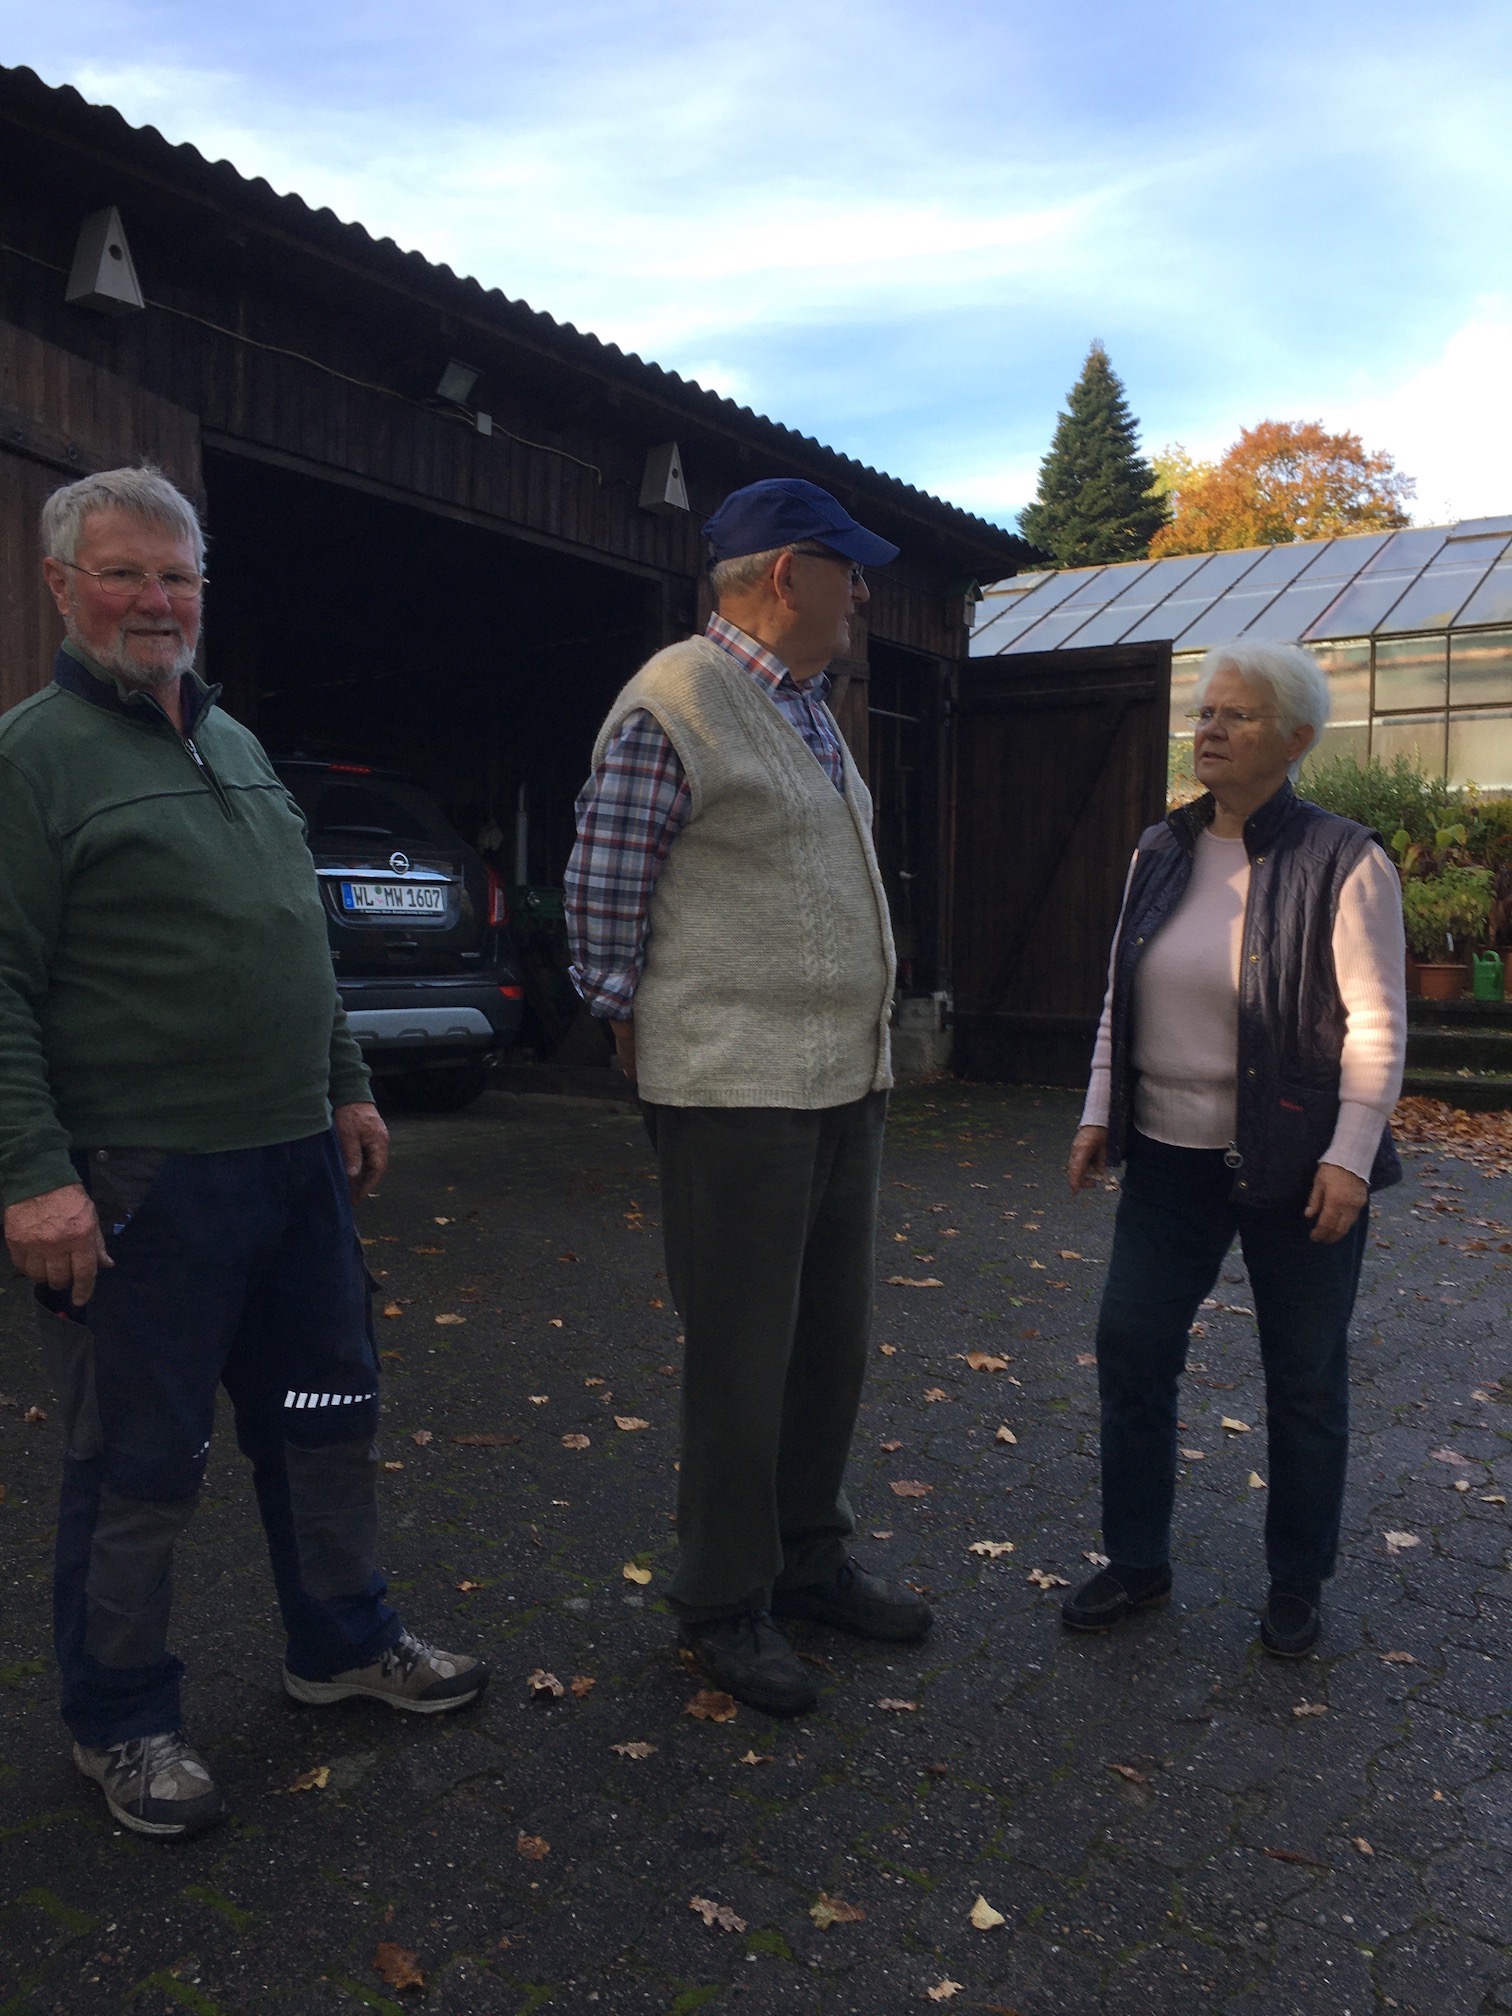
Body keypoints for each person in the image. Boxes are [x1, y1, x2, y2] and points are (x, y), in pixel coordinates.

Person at [0, 467, 486, 1840]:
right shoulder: (31, 760)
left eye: (178, 575)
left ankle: (340, 1643)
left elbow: (298, 945)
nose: (156, 600)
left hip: (293, 1169)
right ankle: (121, 1721)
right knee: (139, 1464)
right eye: (124, 574)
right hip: (142, 1180)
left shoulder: (243, 746)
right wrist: (31, 1174)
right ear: (61, 586)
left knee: (328, 1420)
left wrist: (348, 1089)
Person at [564, 476, 931, 1715]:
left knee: (827, 1344)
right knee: (741, 1357)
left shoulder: (813, 710)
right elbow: (604, 885)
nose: (865, 593)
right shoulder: (680, 699)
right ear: (787, 575)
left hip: (840, 1083)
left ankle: (810, 1559)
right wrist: (630, 1024)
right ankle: (724, 1600)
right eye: (850, 569)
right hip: (734, 1092)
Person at [1063, 640, 1406, 1657]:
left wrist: (1351, 1154)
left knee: (1301, 1377)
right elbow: (1123, 999)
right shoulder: (1158, 849)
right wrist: (1097, 1112)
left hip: (1298, 1166)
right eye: (1204, 713)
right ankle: (1137, 1561)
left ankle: (1298, 1579)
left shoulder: (1346, 859)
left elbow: (1377, 1023)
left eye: (1236, 716)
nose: (1207, 730)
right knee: (1131, 1349)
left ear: (1295, 740)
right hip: (1168, 1161)